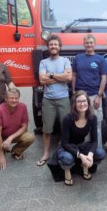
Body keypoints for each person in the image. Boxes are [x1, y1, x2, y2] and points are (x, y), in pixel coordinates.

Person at [57, 90, 105, 186]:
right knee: (67, 159)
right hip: (66, 147)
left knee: (100, 153)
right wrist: (82, 156)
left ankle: (84, 167)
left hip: (81, 146)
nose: (82, 104)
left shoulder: (92, 117)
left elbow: (94, 141)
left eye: (84, 101)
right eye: (79, 101)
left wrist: (90, 155)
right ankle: (67, 170)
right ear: (74, 104)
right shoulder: (68, 118)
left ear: (88, 102)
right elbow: (65, 143)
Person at [37, 34, 72, 166]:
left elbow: (69, 79)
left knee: (65, 128)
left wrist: (50, 75)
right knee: (47, 129)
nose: (53, 46)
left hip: (63, 99)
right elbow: (41, 80)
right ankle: (46, 153)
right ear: (48, 46)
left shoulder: (65, 61)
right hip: (48, 100)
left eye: (55, 44)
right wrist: (60, 76)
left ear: (59, 47)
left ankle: (64, 151)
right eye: (51, 44)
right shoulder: (43, 62)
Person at [0, 88, 35, 170]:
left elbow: (24, 127)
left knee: (30, 137)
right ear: (6, 99)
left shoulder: (23, 107)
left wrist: (10, 138)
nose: (14, 100)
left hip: (13, 135)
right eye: (11, 98)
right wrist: (1, 156)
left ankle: (15, 151)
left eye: (16, 98)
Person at [72, 34, 107, 146]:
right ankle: (84, 149)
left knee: (96, 124)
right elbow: (74, 75)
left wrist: (99, 95)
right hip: (80, 97)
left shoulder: (100, 59)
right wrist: (73, 92)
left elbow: (104, 78)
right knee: (81, 123)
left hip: (94, 96)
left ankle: (98, 149)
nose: (89, 45)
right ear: (84, 44)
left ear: (94, 44)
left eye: (91, 42)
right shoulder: (78, 58)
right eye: (87, 43)